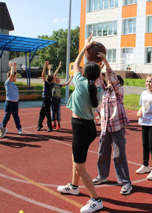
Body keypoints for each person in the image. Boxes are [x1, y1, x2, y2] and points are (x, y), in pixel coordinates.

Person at [57, 35, 104, 213]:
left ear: (85, 74)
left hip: (81, 127)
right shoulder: (97, 88)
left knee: (80, 166)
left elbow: (76, 64)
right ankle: (74, 187)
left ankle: (96, 199)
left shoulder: (81, 82)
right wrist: (100, 62)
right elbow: (92, 71)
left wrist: (85, 47)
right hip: (87, 127)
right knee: (75, 159)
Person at [92, 52, 132, 195]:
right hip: (104, 127)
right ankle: (102, 176)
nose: (109, 81)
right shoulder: (104, 92)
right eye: (107, 80)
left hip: (117, 127)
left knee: (119, 154)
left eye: (112, 80)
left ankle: (125, 182)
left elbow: (112, 78)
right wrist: (98, 67)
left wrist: (106, 62)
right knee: (102, 152)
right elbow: (98, 80)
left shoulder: (118, 92)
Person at [37, 60, 59, 132]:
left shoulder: (47, 84)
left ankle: (49, 127)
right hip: (45, 99)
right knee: (42, 112)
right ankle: (40, 125)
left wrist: (45, 66)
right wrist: (49, 69)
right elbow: (49, 76)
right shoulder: (51, 83)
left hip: (47, 100)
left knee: (47, 113)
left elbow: (43, 74)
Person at [2, 62, 23, 135]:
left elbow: (14, 74)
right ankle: (2, 128)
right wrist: (11, 66)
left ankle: (19, 129)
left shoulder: (13, 84)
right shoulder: (8, 83)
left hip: (15, 103)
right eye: (14, 76)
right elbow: (12, 75)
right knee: (7, 117)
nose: (15, 77)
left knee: (16, 117)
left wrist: (15, 67)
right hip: (9, 103)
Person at [51, 62, 73, 130]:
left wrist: (71, 77)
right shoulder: (53, 84)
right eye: (58, 78)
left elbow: (67, 83)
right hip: (53, 99)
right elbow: (55, 74)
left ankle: (58, 125)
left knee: (58, 112)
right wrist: (59, 67)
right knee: (52, 112)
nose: (59, 78)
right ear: (55, 79)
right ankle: (54, 123)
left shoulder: (59, 85)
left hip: (58, 100)